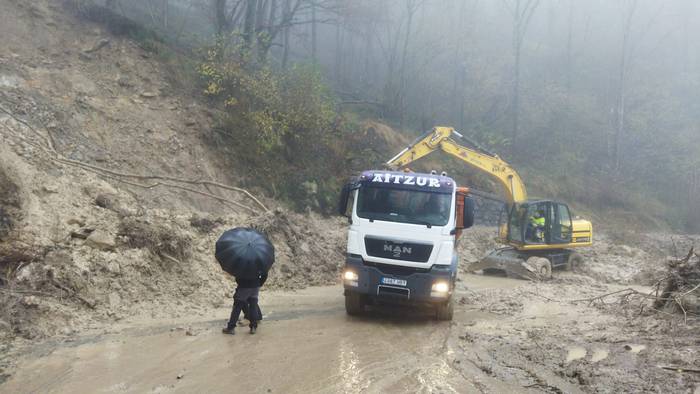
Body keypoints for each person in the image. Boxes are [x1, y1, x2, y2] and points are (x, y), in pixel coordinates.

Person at [222, 269, 267, 335]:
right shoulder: (258, 261)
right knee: (253, 306)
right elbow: (265, 274)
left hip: (244, 286)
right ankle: (253, 327)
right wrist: (259, 283)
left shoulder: (242, 262)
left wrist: (240, 282)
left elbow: (238, 276)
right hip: (255, 286)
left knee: (237, 307)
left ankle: (231, 328)